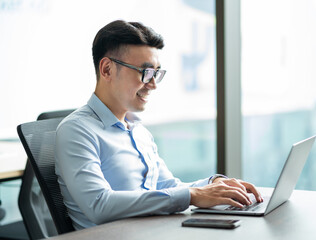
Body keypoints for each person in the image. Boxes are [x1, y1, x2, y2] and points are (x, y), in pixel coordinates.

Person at [55, 19, 263, 230]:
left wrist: (213, 185)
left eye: (156, 73)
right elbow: (98, 205)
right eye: (145, 72)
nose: (153, 84)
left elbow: (167, 188)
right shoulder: (76, 131)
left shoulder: (138, 131)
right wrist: (193, 195)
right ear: (107, 69)